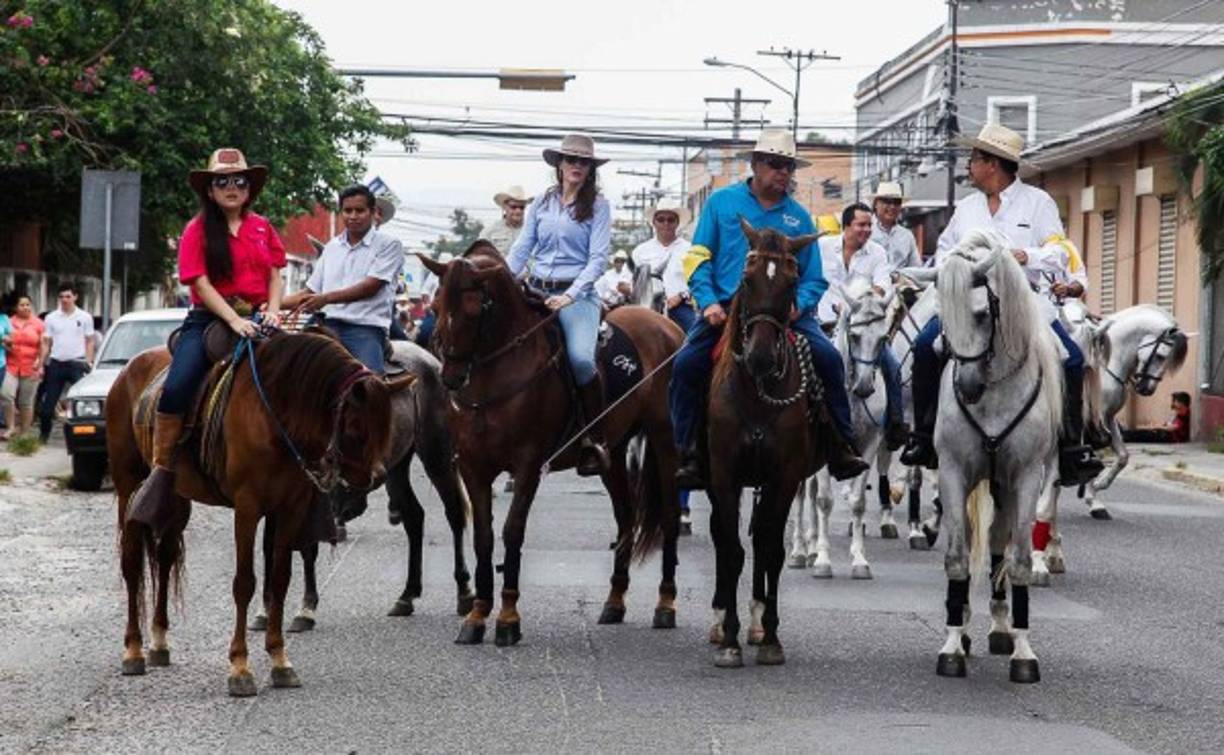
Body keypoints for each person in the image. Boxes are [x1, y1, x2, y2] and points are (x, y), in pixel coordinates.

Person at [900, 123, 1103, 486]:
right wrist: (954, 268)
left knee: (1072, 359)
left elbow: (1059, 252)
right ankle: (923, 437)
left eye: (974, 159)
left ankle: (1073, 448)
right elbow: (945, 251)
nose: (969, 166)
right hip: (969, 301)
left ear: (993, 164)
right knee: (923, 348)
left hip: (1024, 301)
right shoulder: (966, 208)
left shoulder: (1038, 202)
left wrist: (1025, 255)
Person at [671, 129, 869, 488]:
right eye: (775, 165)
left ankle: (842, 444)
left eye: (788, 166)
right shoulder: (721, 203)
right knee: (685, 364)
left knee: (828, 358)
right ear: (755, 165)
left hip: (783, 313)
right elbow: (698, 257)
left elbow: (814, 278)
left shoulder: (798, 217)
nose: (783, 173)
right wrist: (708, 301)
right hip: (727, 308)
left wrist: (799, 305)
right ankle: (686, 451)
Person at [127, 148, 286, 531]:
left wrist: (274, 310)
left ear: (249, 188)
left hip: (258, 317)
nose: (231, 187)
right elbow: (198, 281)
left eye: (239, 181)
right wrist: (233, 319)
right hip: (210, 319)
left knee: (303, 377)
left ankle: (313, 480)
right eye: (222, 181)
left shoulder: (263, 227)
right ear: (210, 190)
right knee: (178, 386)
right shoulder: (197, 229)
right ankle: (163, 473)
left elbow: (276, 274)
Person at [506, 133, 612, 476]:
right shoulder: (542, 202)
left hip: (576, 295)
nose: (576, 166)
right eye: (571, 160)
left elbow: (597, 260)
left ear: (590, 169)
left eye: (583, 162)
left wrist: (571, 294)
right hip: (535, 291)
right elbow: (523, 248)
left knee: (581, 360)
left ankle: (593, 439)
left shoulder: (598, 205)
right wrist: (505, 281)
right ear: (560, 165)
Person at [282, 184, 403, 374]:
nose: (353, 216)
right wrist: (271, 304)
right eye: (347, 210)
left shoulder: (389, 245)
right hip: (324, 324)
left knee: (369, 384)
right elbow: (310, 292)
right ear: (341, 212)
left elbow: (371, 286)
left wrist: (326, 299)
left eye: (359, 210)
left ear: (372, 212)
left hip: (365, 329)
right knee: (284, 372)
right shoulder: (332, 247)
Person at [817, 202, 908, 450]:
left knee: (892, 365)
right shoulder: (823, 247)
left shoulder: (877, 252)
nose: (867, 229)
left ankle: (895, 424)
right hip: (824, 323)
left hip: (863, 324)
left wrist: (860, 299)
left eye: (869, 225)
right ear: (846, 226)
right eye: (861, 224)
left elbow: (882, 285)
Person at [37, 282, 95, 443]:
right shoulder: (51, 317)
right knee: (48, 406)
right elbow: (46, 342)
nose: (65, 300)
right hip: (56, 364)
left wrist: (88, 362)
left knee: (85, 401)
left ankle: (86, 436)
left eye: (68, 296)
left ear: (75, 297)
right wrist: (41, 363)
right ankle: (43, 436)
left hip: (77, 364)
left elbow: (90, 341)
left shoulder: (84, 317)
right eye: (62, 297)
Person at [631, 200, 696, 332]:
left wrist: (682, 296)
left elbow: (698, 279)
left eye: (671, 220)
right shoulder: (640, 251)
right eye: (661, 219)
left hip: (680, 306)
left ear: (677, 223)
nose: (666, 224)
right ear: (654, 222)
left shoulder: (690, 249)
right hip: (646, 308)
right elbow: (631, 281)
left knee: (696, 334)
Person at [2, 295, 43, 439]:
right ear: (15, 307)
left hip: (31, 366)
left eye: (27, 304)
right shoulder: (8, 321)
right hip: (11, 365)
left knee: (26, 401)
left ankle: (25, 432)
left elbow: (43, 346)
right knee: (6, 395)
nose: (25, 307)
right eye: (22, 305)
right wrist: (7, 345)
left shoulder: (38, 323)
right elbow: (4, 341)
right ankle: (11, 427)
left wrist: (40, 362)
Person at [870, 181, 921, 271]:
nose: (892, 206)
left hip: (900, 282)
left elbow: (916, 268)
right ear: (876, 204)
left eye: (897, 202)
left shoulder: (907, 236)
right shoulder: (864, 231)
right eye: (887, 201)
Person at [413, 252, 452, 348]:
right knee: (423, 333)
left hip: (450, 313)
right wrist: (428, 305)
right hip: (433, 312)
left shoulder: (455, 276)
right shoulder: (433, 275)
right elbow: (425, 292)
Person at [1122, 391, 1191, 443]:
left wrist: (1157, 427)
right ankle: (1124, 434)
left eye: (1175, 401)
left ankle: (1124, 436)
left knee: (1144, 436)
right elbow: (1170, 424)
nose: (1173, 403)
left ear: (1182, 403)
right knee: (1143, 432)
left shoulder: (1185, 414)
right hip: (1166, 434)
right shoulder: (1179, 413)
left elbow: (1172, 428)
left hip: (1170, 438)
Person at [486, 186, 533, 254]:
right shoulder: (490, 231)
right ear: (504, 207)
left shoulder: (532, 231)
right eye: (513, 207)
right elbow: (480, 255)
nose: (518, 211)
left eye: (521, 207)